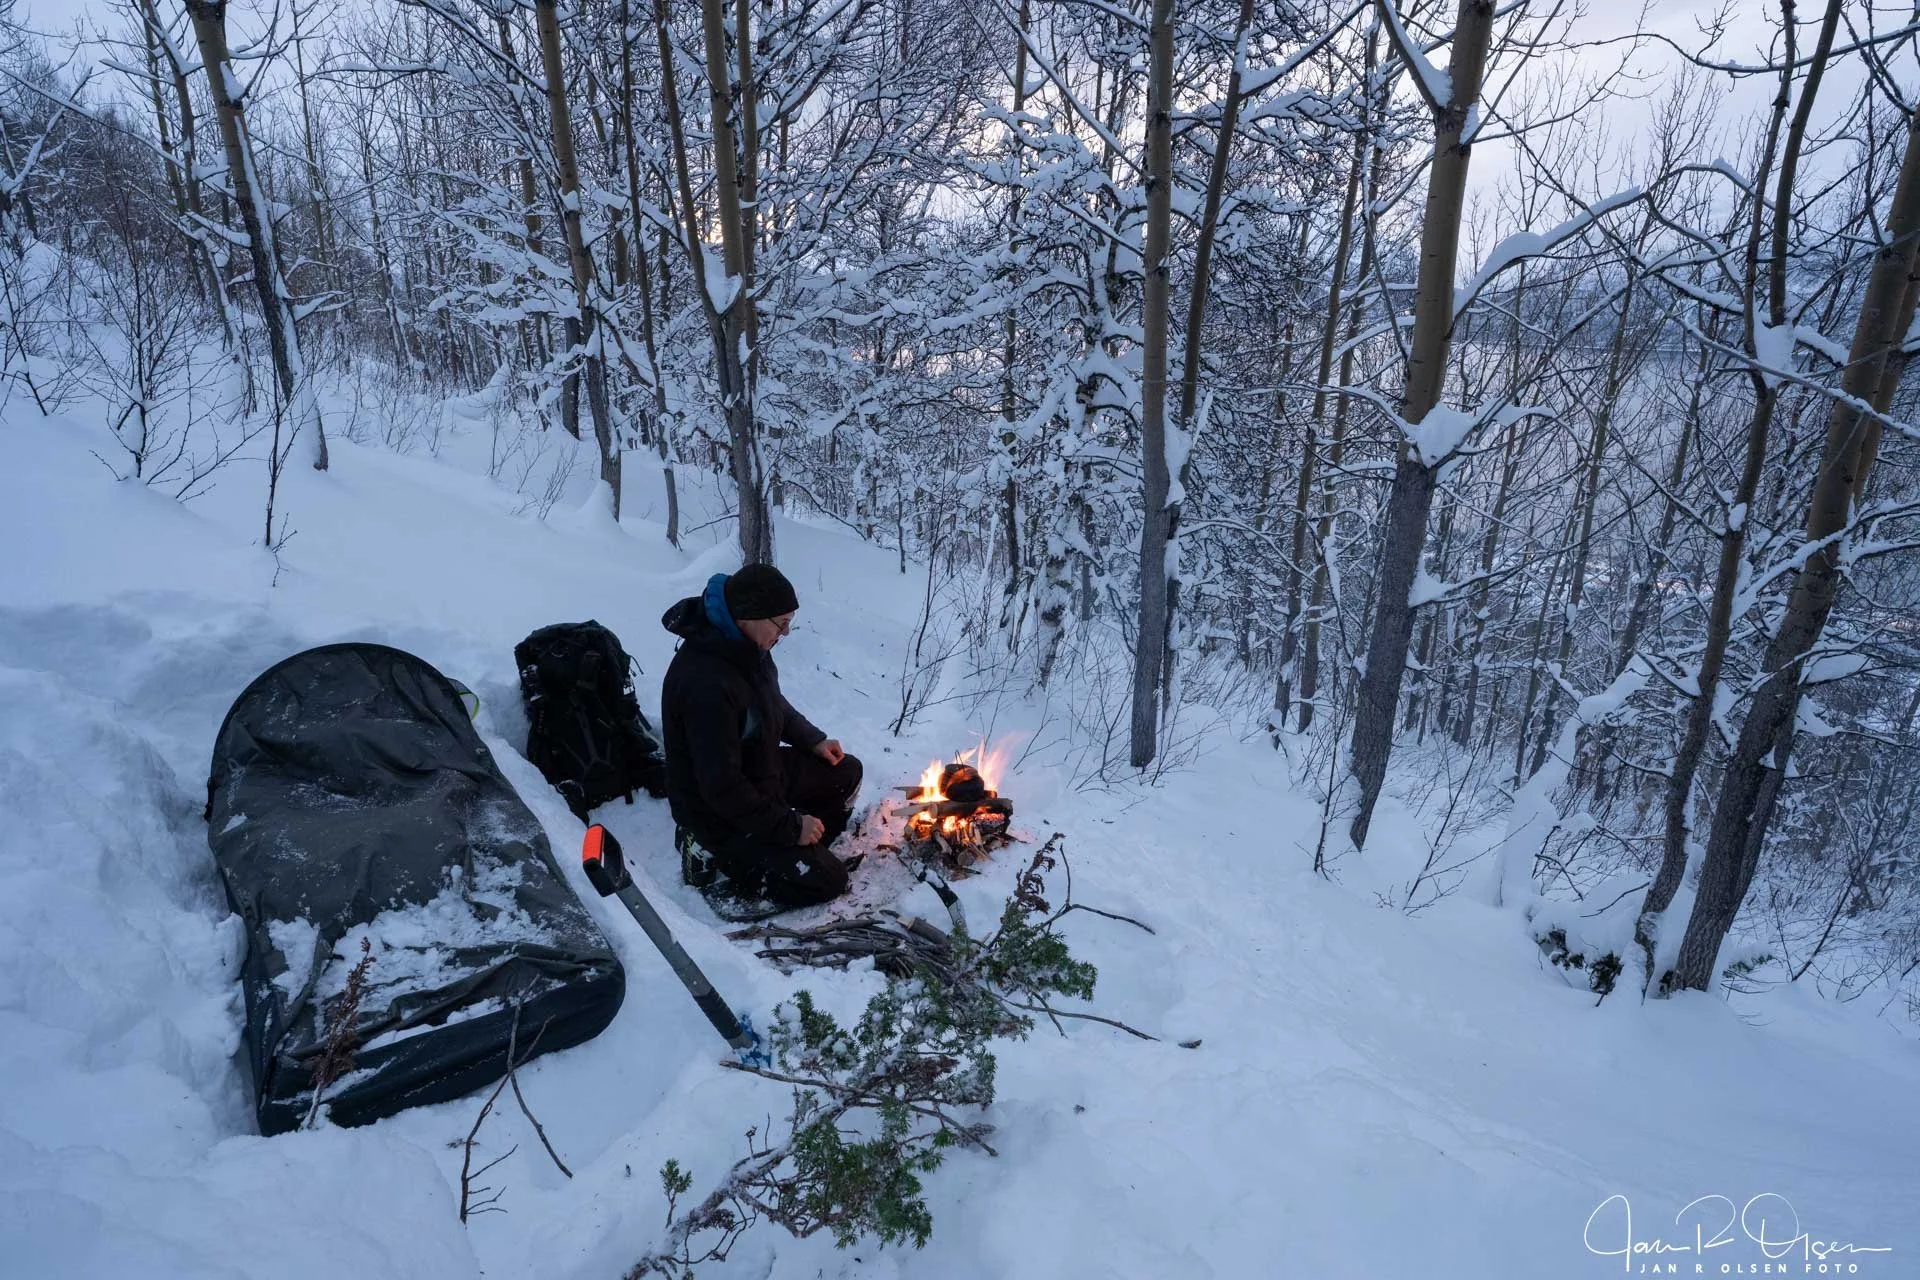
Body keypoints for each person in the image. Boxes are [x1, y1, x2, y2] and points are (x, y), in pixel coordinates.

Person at [659, 564, 862, 906]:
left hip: (758, 769)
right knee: (828, 881)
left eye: (789, 622)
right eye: (781, 623)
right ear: (749, 615)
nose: (785, 633)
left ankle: (797, 848)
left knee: (845, 772)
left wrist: (812, 739)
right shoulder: (706, 684)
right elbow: (721, 788)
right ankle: (716, 852)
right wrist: (790, 827)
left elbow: (771, 703)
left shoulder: (747, 647)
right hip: (717, 808)